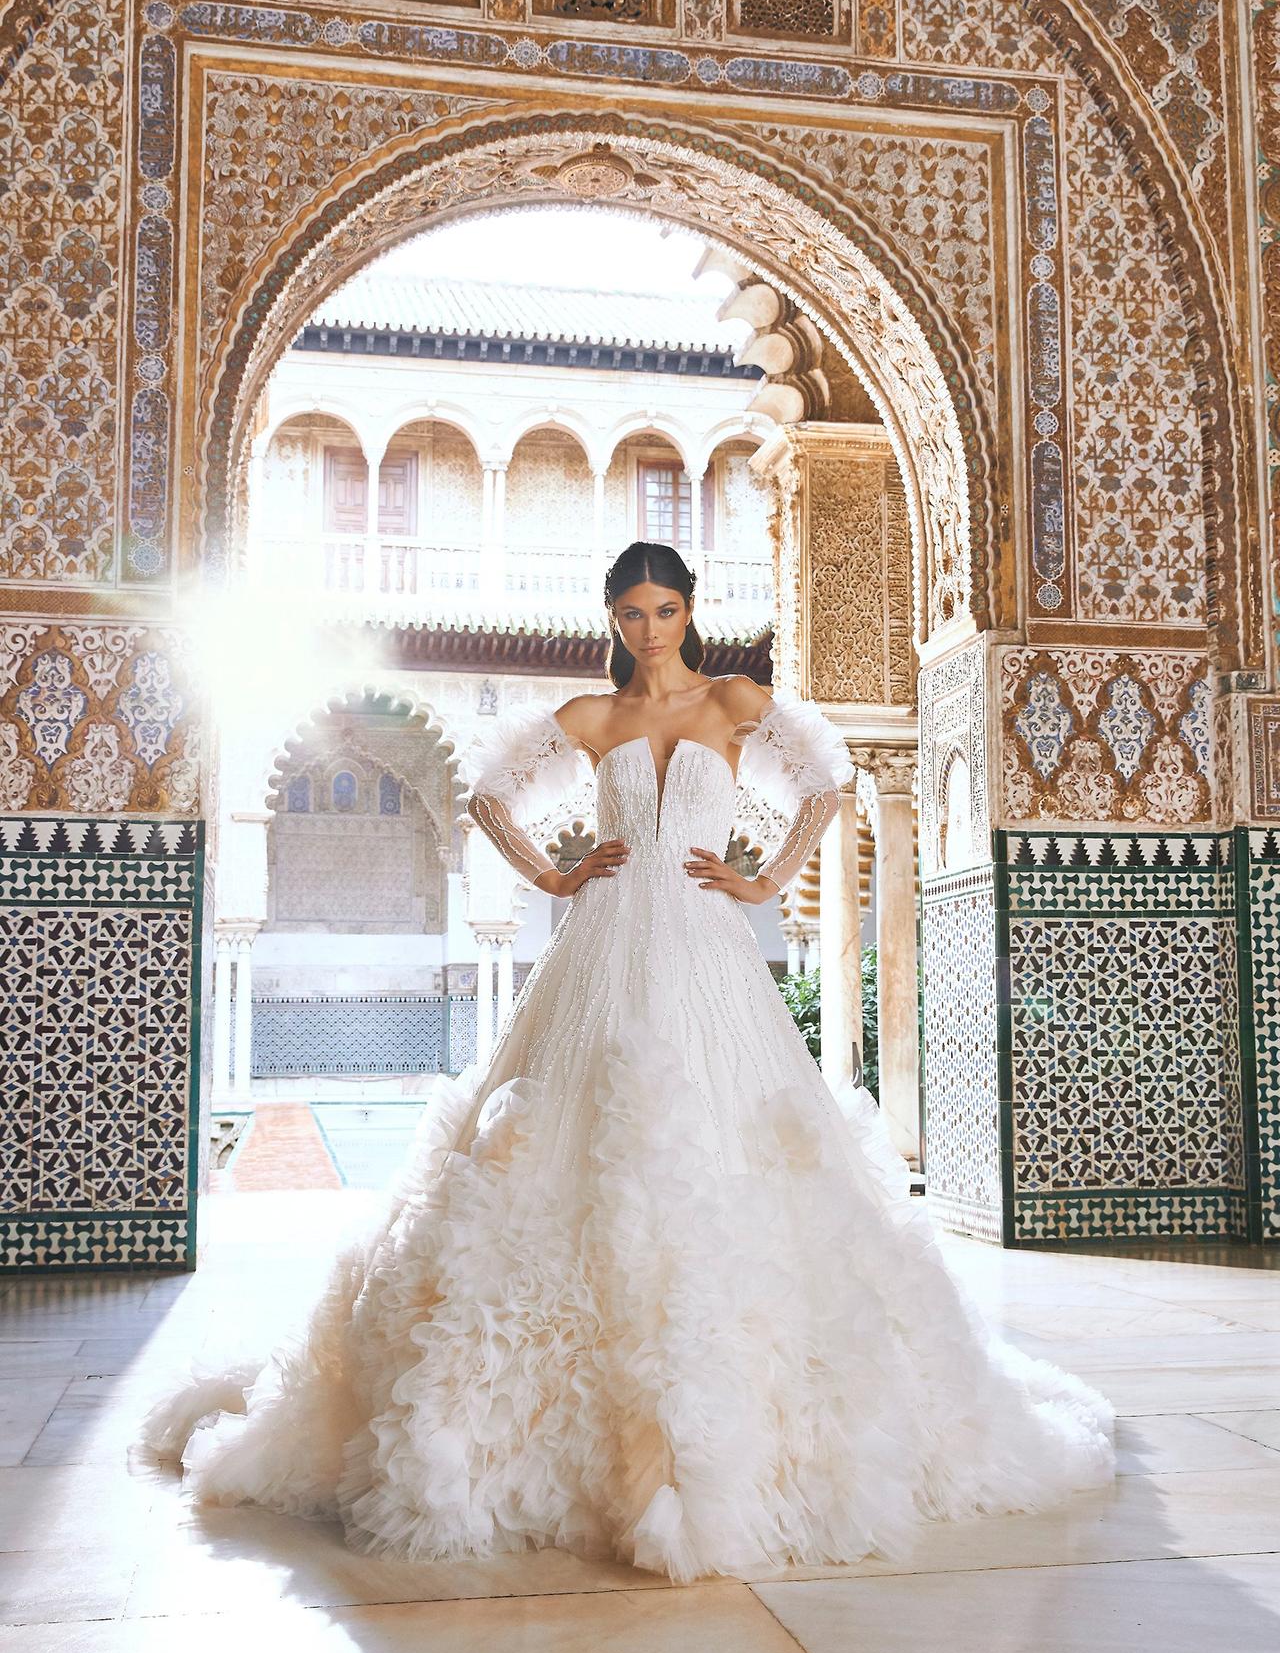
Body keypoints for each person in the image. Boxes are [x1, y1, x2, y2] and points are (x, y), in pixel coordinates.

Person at [143, 541, 1113, 1584]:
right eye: (629, 613)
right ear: (611, 621)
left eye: (662, 608)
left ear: (688, 609)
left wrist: (766, 877)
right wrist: (554, 870)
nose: (647, 628)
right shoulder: (590, 719)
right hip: (601, 945)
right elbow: (485, 796)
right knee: (561, 1159)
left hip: (704, 950)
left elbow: (827, 783)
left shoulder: (736, 700)